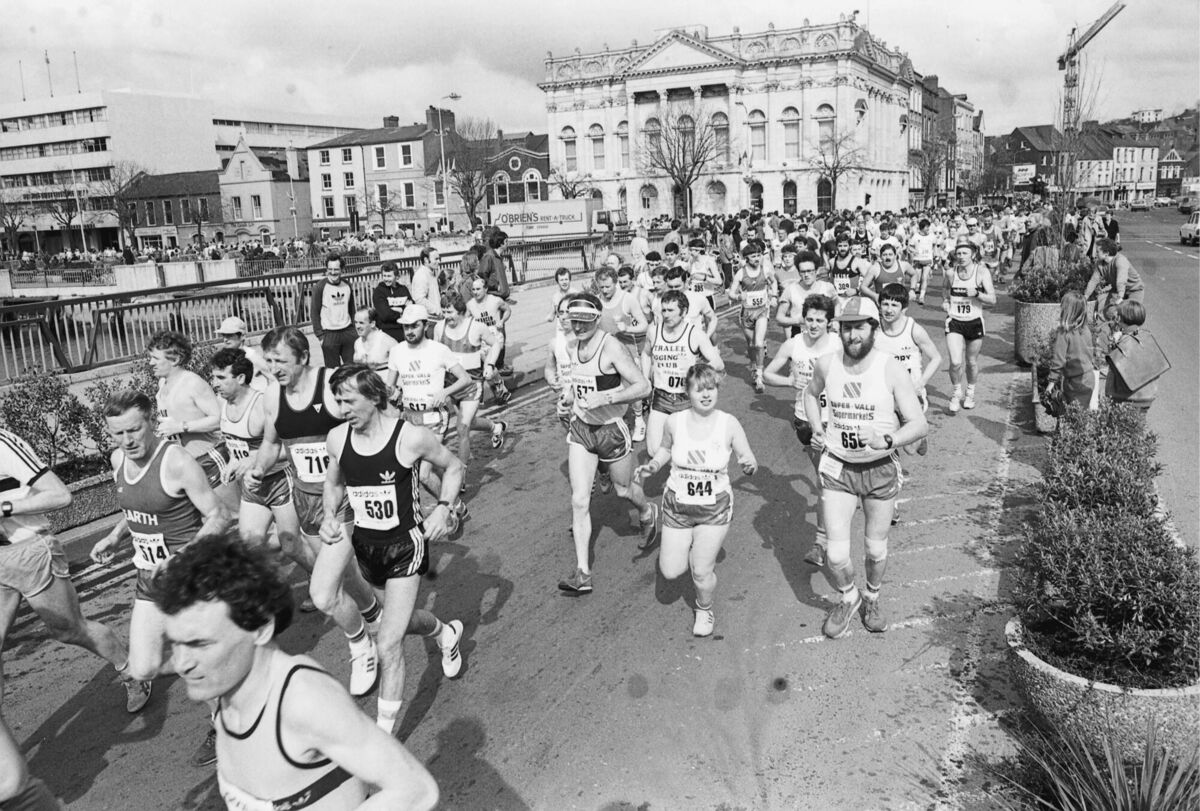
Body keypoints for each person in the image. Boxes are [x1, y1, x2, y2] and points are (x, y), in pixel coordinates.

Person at [153, 537, 439, 809]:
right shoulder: (221, 689)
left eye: (199, 644)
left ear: (260, 628)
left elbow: (416, 790)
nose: (181, 664)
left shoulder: (302, 700)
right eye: (175, 643)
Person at [88, 390, 233, 765]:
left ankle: (223, 726)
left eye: (134, 430)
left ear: (151, 421)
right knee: (143, 667)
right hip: (149, 579)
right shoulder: (118, 458)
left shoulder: (178, 462)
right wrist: (114, 536)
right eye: (118, 434)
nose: (127, 441)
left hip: (190, 577)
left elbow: (218, 516)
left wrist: (180, 556)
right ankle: (218, 655)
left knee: (201, 662)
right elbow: (138, 507)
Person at [323, 366, 467, 736]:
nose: (342, 408)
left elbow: (454, 466)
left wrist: (444, 507)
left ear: (374, 397)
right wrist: (328, 515)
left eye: (349, 400)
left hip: (405, 547)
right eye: (338, 400)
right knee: (397, 623)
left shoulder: (409, 439)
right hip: (366, 547)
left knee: (387, 642)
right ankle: (444, 633)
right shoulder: (338, 439)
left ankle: (383, 738)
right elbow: (334, 484)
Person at [245, 326, 383, 701]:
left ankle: (361, 647)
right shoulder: (273, 396)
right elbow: (272, 443)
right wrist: (258, 469)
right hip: (306, 500)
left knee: (324, 592)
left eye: (281, 361)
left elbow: (370, 422)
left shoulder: (328, 387)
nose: (273, 368)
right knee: (347, 574)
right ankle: (374, 614)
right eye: (269, 360)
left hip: (343, 498)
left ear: (304, 358)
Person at [0, 427, 150, 717]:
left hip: (30, 551)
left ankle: (131, 671)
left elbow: (60, 495)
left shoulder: (2, 443)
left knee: (69, 629)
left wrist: (4, 507)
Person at [804, 297, 929, 639]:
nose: (852, 335)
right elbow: (809, 394)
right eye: (846, 327)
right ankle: (849, 597)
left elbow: (919, 425)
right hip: (838, 468)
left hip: (879, 468)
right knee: (836, 553)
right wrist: (817, 428)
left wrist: (887, 441)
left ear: (873, 329)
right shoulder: (827, 364)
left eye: (859, 327)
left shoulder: (890, 367)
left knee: (875, 548)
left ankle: (872, 596)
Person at [634, 364, 756, 637]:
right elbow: (665, 450)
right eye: (699, 389)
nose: (705, 395)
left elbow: (749, 459)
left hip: (714, 508)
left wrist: (748, 464)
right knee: (671, 571)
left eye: (710, 388)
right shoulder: (674, 421)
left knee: (700, 571)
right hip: (677, 506)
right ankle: (687, 550)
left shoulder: (728, 424)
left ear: (717, 390)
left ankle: (704, 607)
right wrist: (652, 467)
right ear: (687, 392)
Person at [557, 294, 658, 594]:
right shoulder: (571, 345)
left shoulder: (610, 346)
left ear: (597, 319)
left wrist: (608, 397)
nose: (578, 327)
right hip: (583, 429)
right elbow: (577, 383)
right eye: (574, 321)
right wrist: (567, 398)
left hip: (612, 429)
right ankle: (582, 572)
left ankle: (646, 512)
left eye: (585, 322)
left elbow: (643, 386)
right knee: (579, 500)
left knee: (623, 490)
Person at [763, 294, 839, 566]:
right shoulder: (793, 344)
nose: (814, 325)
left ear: (829, 321)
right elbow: (767, 375)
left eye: (820, 320)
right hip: (805, 421)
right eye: (809, 319)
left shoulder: (838, 345)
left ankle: (821, 543)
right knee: (827, 479)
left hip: (836, 420)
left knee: (826, 480)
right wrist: (789, 381)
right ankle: (827, 535)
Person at [384, 305, 471, 519]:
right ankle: (454, 497)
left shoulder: (438, 350)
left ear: (425, 325)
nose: (410, 331)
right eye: (406, 327)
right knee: (413, 469)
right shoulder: (397, 352)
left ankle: (449, 506)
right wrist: (391, 393)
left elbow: (465, 378)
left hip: (434, 417)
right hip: (410, 418)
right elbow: (389, 387)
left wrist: (446, 391)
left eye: (415, 326)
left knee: (424, 474)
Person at [641, 290, 724, 457]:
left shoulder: (695, 334)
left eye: (671, 310)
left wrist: (695, 375)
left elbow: (718, 363)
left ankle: (683, 473)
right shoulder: (653, 331)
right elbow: (646, 353)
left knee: (693, 450)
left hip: (687, 399)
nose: (666, 315)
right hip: (662, 397)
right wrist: (645, 379)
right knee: (653, 450)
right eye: (663, 310)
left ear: (684, 312)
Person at [148, 331, 229, 489]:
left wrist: (180, 427)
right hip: (184, 464)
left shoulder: (192, 383)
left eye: (156, 358)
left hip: (209, 458)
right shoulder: (162, 383)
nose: (151, 363)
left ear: (176, 359)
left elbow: (219, 420)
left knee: (229, 513)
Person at [435, 294, 508, 469]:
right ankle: (495, 427)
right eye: (444, 311)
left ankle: (460, 475)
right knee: (468, 422)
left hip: (471, 385)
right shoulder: (439, 328)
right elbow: (436, 354)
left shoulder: (476, 327)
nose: (447, 316)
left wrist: (490, 364)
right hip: (451, 385)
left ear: (460, 311)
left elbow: (496, 344)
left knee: (462, 428)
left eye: (450, 312)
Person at [874, 284, 941, 449]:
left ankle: (918, 438)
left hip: (910, 393)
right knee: (886, 437)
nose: (889, 310)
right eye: (885, 304)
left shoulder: (914, 330)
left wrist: (921, 383)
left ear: (904, 309)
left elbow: (936, 358)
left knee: (910, 449)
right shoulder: (874, 330)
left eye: (894, 305)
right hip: (884, 394)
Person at [943, 237, 996, 413]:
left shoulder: (981, 272)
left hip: (974, 322)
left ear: (973, 254)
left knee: (971, 362)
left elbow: (993, 299)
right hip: (955, 322)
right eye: (958, 253)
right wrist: (945, 301)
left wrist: (978, 294)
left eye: (965, 253)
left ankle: (970, 393)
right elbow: (945, 289)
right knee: (956, 362)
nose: (961, 256)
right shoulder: (951, 273)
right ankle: (956, 393)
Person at [728, 242, 778, 393]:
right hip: (746, 313)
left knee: (758, 343)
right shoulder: (740, 273)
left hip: (762, 311)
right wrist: (738, 296)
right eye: (753, 256)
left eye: (758, 255)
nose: (757, 258)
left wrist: (774, 295)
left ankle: (759, 376)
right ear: (746, 258)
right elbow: (730, 293)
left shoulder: (766, 269)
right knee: (750, 344)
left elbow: (774, 282)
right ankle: (753, 365)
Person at [1046, 291, 1097, 412]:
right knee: (1081, 415)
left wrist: (1051, 383)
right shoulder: (1086, 330)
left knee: (1069, 415)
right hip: (1088, 378)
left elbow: (1058, 360)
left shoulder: (1064, 333)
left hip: (1074, 382)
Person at [1104, 300, 1159, 411]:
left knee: (1117, 428)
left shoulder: (1122, 342)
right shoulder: (1147, 336)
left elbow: (1115, 366)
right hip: (1146, 397)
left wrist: (1113, 344)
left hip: (1124, 399)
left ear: (1119, 319)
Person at [465, 278, 513, 404]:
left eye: (478, 289)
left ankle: (496, 386)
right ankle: (499, 388)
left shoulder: (495, 301)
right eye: (473, 290)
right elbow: (466, 321)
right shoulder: (470, 305)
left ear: (485, 289)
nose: (475, 292)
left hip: (495, 338)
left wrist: (502, 321)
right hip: (481, 339)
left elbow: (508, 310)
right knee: (486, 366)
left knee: (486, 363)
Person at [775, 251, 837, 337]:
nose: (806, 275)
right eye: (803, 272)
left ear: (816, 270)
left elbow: (837, 304)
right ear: (799, 272)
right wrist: (798, 320)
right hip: (799, 333)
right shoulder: (790, 289)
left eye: (809, 271)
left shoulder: (828, 288)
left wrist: (835, 320)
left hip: (823, 335)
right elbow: (779, 318)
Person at [310, 254, 357, 367]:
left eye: (336, 269)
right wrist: (320, 336)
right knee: (333, 372)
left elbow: (352, 309)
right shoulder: (320, 287)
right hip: (329, 334)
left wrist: (354, 330)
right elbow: (314, 313)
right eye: (330, 269)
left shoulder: (347, 285)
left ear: (342, 270)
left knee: (353, 369)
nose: (333, 272)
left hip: (348, 332)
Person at [1083, 238, 1145, 322]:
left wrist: (1120, 297)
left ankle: (1131, 330)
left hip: (1134, 289)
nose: (1095, 253)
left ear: (1106, 253)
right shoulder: (1100, 264)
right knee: (1109, 313)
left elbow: (1121, 280)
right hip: (1117, 290)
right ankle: (1114, 330)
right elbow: (1094, 280)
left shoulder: (1120, 261)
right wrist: (1085, 296)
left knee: (1130, 315)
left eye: (1097, 251)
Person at [215, 316, 270, 389]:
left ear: (242, 336)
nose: (225, 339)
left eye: (229, 335)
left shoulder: (251, 356)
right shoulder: (225, 357)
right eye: (224, 335)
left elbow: (273, 378)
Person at [372, 261, 411, 342]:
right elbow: (385, 315)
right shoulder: (378, 291)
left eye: (389, 276)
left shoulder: (403, 289)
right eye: (384, 276)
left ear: (396, 276)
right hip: (387, 331)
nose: (386, 279)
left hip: (404, 328)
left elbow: (411, 307)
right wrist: (402, 310)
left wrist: (395, 310)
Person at [351, 307, 399, 372]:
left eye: (361, 323)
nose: (357, 326)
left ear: (372, 324)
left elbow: (402, 365)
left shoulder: (388, 342)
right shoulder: (357, 343)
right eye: (356, 322)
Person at [409, 248, 443, 320]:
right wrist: (437, 311)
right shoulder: (421, 275)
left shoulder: (431, 272)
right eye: (436, 259)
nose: (439, 261)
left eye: (439, 259)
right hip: (429, 320)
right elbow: (419, 299)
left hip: (437, 318)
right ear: (426, 260)